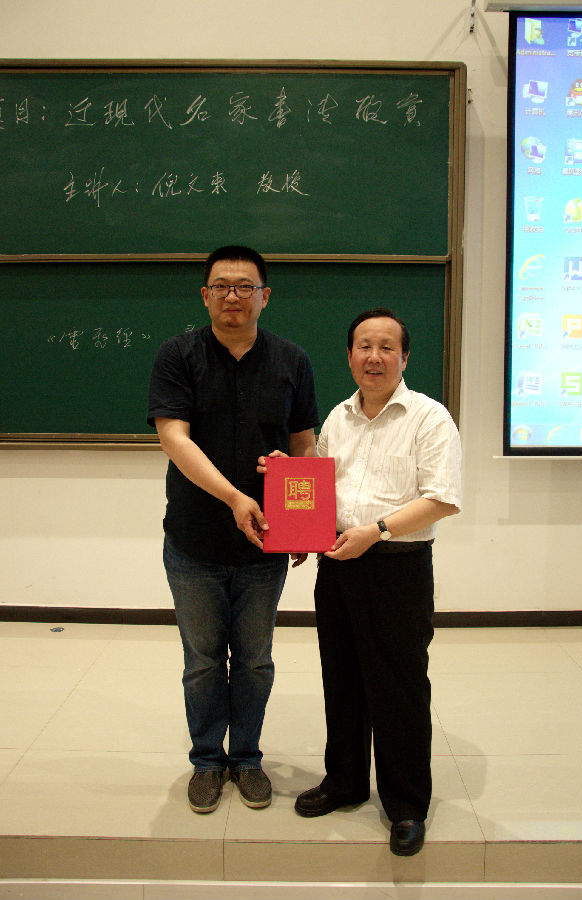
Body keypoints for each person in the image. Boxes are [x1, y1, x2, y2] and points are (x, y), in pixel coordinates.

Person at [147, 245, 318, 815]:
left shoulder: (292, 359)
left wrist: (302, 523)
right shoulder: (178, 355)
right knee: (201, 661)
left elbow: (304, 444)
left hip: (265, 543)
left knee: (254, 660)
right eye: (221, 286)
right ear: (205, 295)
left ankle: (245, 758)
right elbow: (174, 438)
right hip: (194, 540)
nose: (233, 296)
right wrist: (235, 497)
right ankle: (206, 761)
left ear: (265, 296)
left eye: (245, 287)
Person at [293, 307, 461, 856]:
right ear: (349, 356)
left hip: (397, 567)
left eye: (387, 347)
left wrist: (378, 530)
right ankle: (344, 782)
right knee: (341, 678)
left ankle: (407, 804)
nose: (374, 356)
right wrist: (287, 483)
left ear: (404, 358)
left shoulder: (429, 417)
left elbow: (442, 499)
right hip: (339, 563)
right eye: (364, 346)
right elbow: (319, 487)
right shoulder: (337, 418)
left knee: (399, 687)